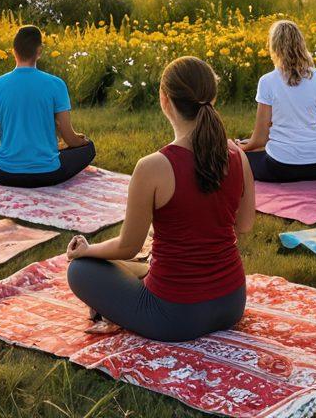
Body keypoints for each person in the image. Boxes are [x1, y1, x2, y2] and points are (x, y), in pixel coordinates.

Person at [65, 56, 254, 343]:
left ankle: (110, 303)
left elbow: (128, 247)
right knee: (138, 264)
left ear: (164, 100)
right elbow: (244, 226)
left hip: (175, 317)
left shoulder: (153, 167)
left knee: (80, 270)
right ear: (212, 98)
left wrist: (86, 251)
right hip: (231, 303)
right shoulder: (238, 156)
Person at [0, 25, 94, 188]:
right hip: (49, 174)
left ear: (14, 51)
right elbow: (68, 138)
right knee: (89, 148)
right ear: (39, 51)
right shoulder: (56, 84)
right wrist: (83, 141)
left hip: (5, 174)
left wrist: (1, 140)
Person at [236, 20, 316, 182]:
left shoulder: (267, 81)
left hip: (281, 167)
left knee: (240, 160)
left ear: (274, 47)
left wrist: (242, 148)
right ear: (301, 44)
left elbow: (260, 140)